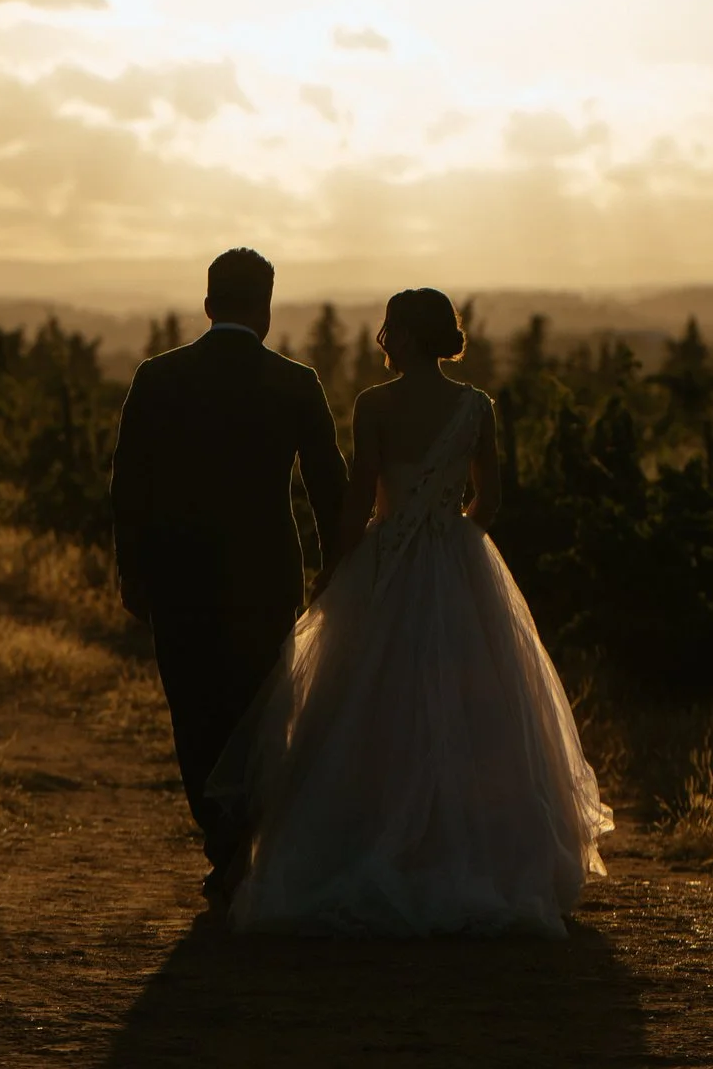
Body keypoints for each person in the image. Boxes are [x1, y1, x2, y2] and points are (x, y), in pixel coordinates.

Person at [210, 287, 612, 936]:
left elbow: (357, 498)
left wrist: (341, 567)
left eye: (392, 327)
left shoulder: (375, 405)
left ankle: (370, 841)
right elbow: (492, 497)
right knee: (475, 710)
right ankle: (470, 852)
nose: (383, 336)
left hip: (387, 560)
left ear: (413, 335)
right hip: (459, 561)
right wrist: (456, 540)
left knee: (371, 705)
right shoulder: (476, 406)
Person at [110, 247, 347, 904]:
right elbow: (329, 486)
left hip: (177, 571)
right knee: (265, 706)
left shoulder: (157, 377)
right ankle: (247, 839)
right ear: (265, 308)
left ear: (208, 302)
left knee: (195, 710)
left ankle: (223, 841)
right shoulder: (296, 382)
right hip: (267, 570)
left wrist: (131, 569)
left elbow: (128, 483)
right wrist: (340, 564)